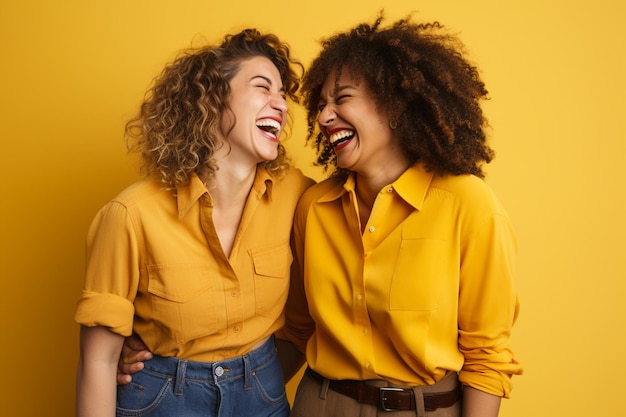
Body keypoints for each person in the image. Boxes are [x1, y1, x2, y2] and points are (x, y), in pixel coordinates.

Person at [275, 14, 523, 417]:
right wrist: (202, 378)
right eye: (321, 105)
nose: (323, 117)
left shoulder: (468, 204)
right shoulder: (313, 207)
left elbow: (486, 357)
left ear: (395, 104)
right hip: (319, 405)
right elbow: (297, 329)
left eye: (342, 98)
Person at [74, 28, 313, 417]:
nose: (281, 105)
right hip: (164, 399)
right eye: (263, 87)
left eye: (283, 94)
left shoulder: (298, 195)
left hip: (264, 393)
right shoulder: (131, 215)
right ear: (211, 99)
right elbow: (98, 362)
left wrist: (258, 378)